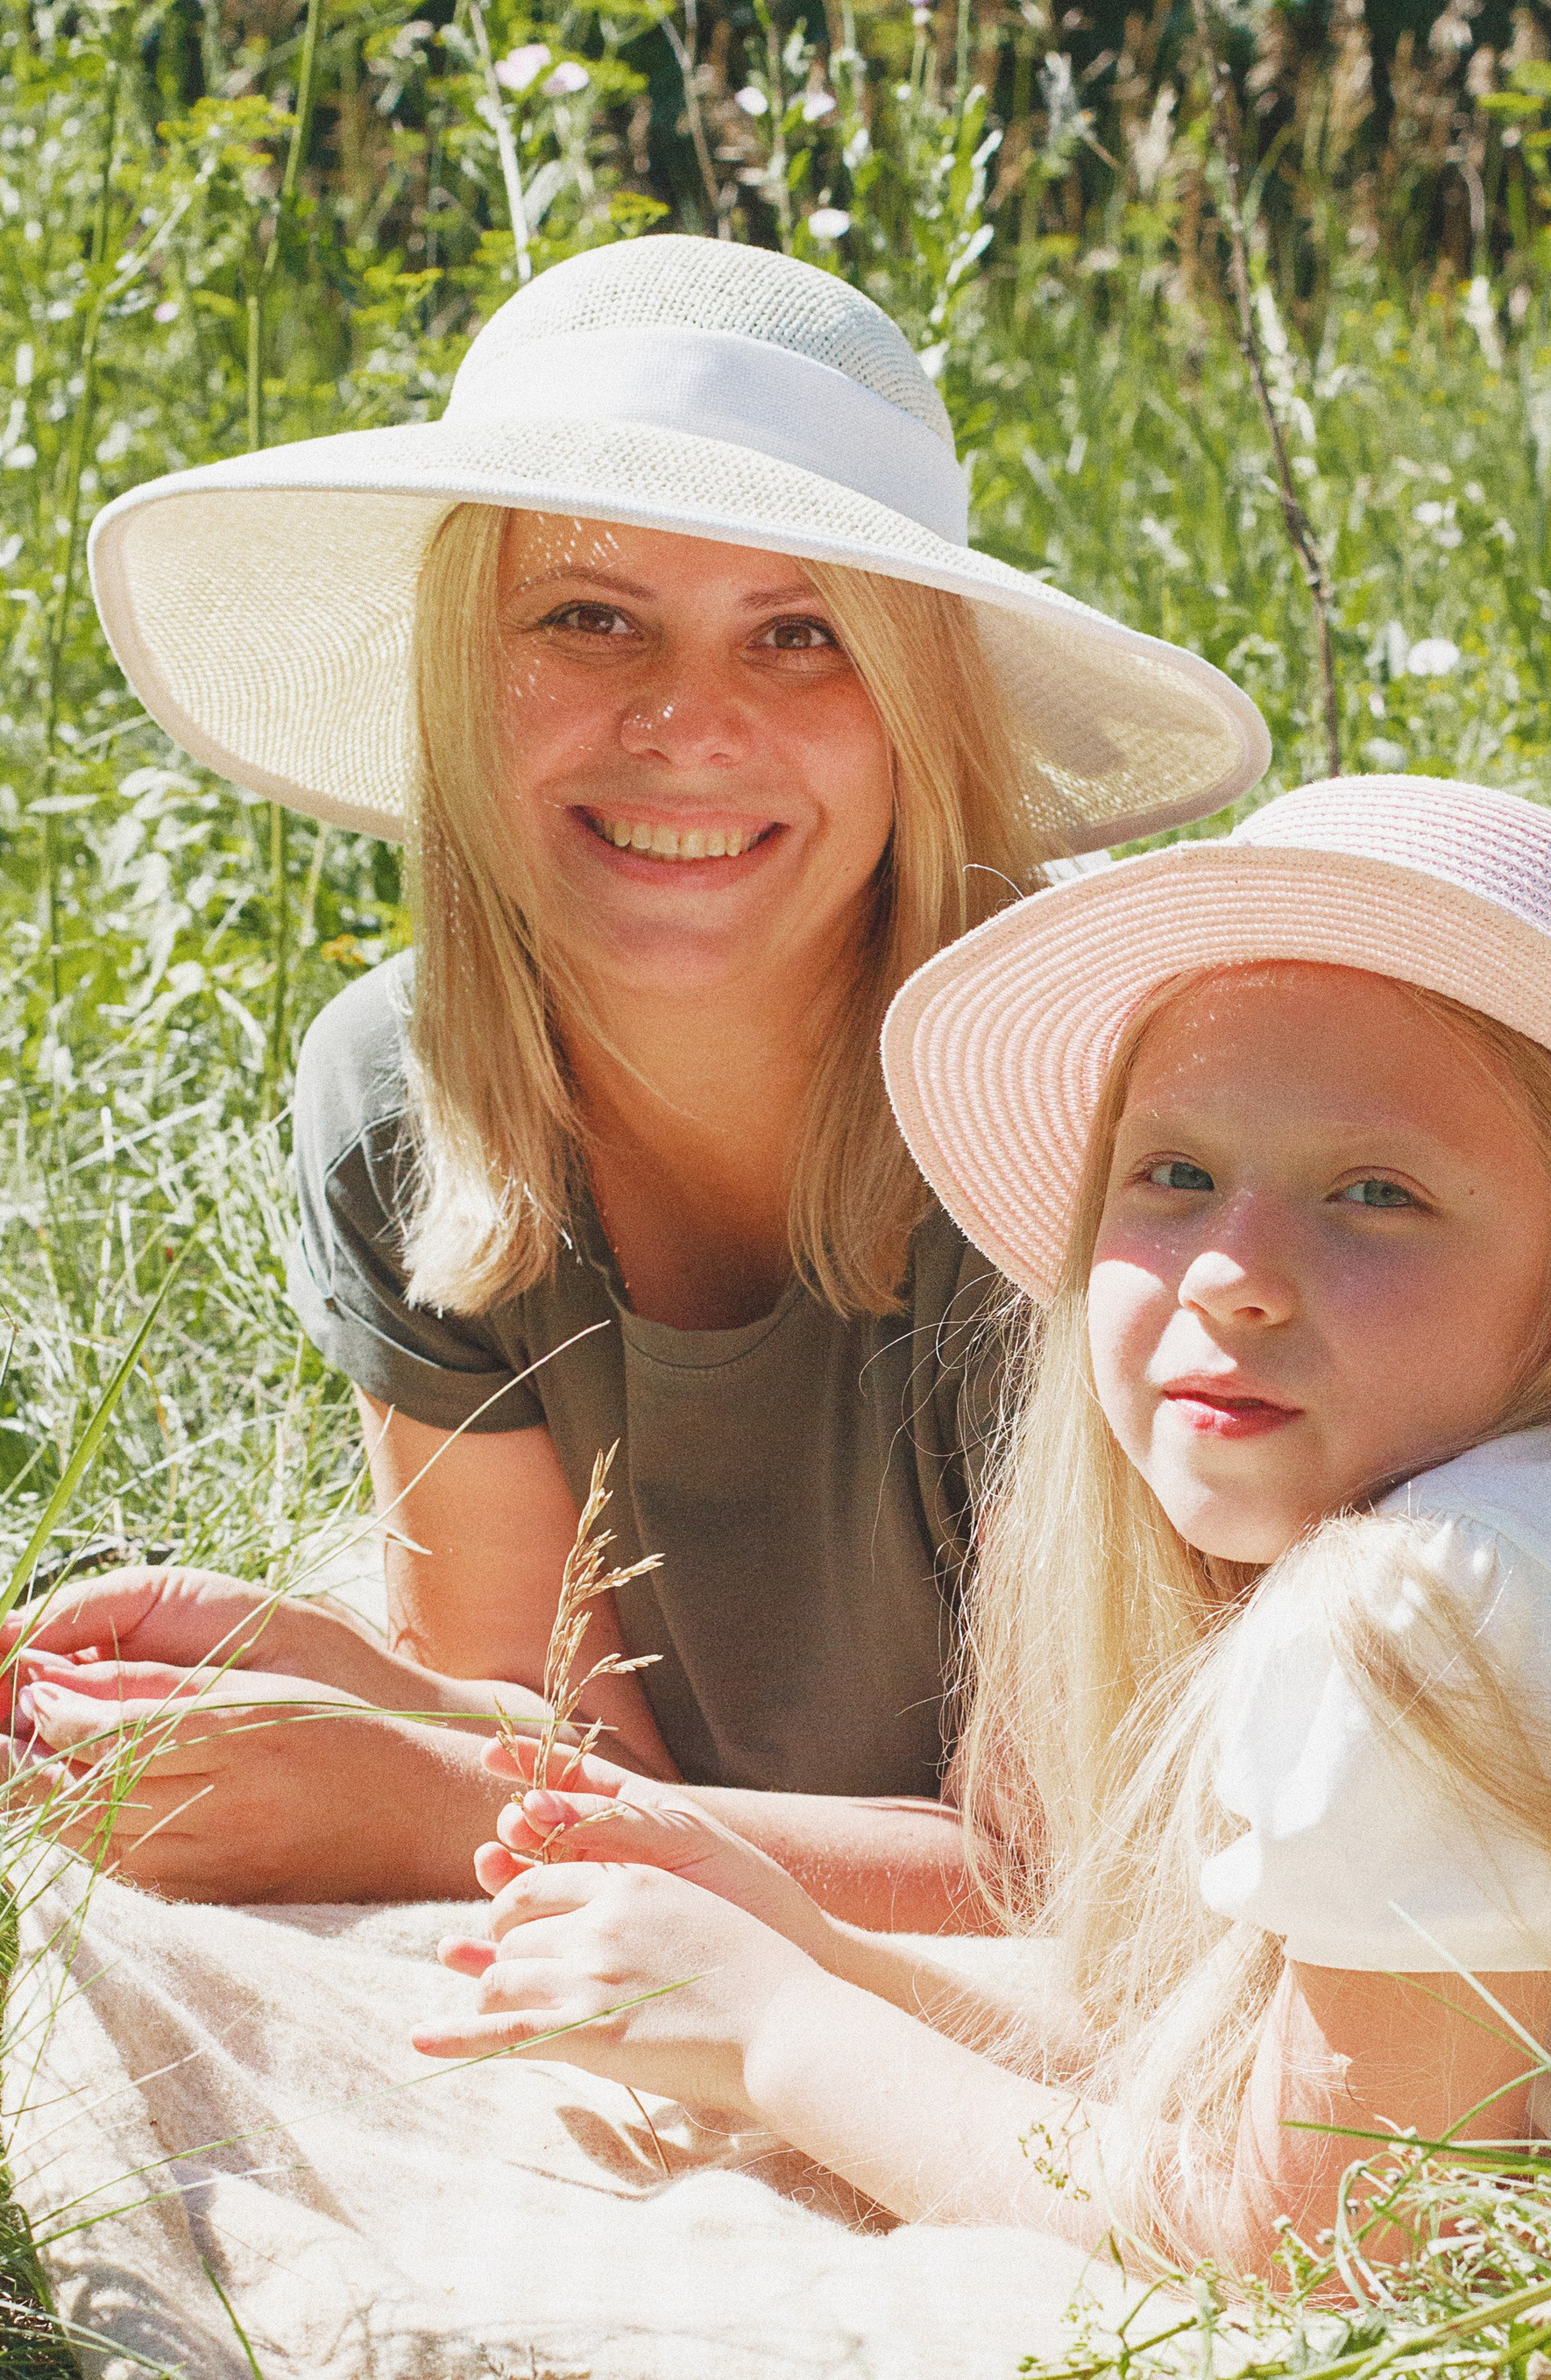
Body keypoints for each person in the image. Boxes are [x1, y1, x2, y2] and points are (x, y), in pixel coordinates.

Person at [408, 779, 1551, 2271]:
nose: (1235, 1278)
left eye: (1374, 1195)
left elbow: (1309, 2236)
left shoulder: (1428, 1609)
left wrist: (772, 2036)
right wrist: (829, 1948)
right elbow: (1265, 2067)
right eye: (1176, 1176)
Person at [0, 235, 1265, 1913]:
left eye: (800, 636)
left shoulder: (1087, 1097)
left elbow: (1122, 1886)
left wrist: (423, 1796)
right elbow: (557, 1737)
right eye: (588, 618)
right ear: (465, 675)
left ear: (917, 713)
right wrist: (359, 1688)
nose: (686, 722)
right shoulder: (406, 1091)